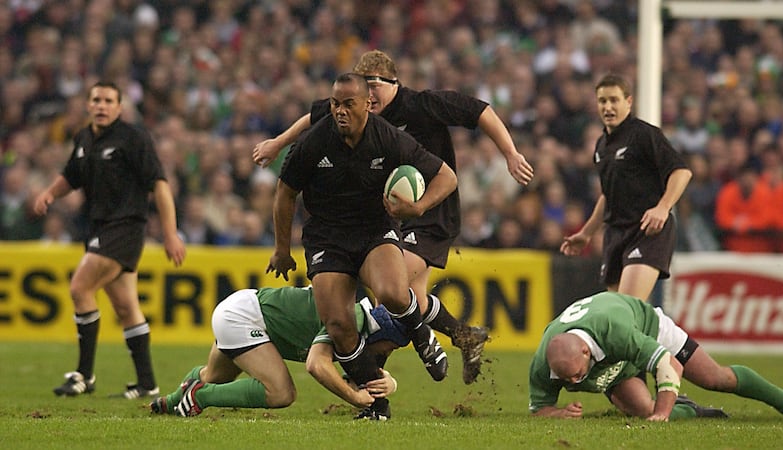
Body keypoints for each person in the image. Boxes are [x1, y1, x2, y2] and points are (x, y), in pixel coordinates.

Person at [254, 50, 534, 384]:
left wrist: (511, 153)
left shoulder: (421, 105)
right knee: (395, 302)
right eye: (364, 87)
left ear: (394, 83)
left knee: (389, 295)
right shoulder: (352, 112)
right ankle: (455, 340)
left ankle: (394, 364)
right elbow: (313, 117)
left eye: (375, 86)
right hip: (387, 211)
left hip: (430, 211)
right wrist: (278, 143)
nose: (369, 95)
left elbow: (480, 111)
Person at [268, 73, 458, 419]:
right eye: (335, 104)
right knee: (340, 327)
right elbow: (284, 194)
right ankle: (376, 405)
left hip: (374, 230)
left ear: (367, 106)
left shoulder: (387, 137)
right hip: (327, 238)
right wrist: (282, 249)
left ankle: (422, 338)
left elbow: (447, 176)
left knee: (392, 293)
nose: (339, 111)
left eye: (348, 104)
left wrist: (418, 207)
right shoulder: (314, 141)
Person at [33, 81, 186, 399]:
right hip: (99, 227)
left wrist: (170, 233)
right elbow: (71, 176)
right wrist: (50, 192)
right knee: (126, 307)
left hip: (125, 227)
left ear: (119, 107)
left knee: (80, 288)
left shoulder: (133, 138)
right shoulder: (84, 137)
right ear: (88, 105)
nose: (102, 106)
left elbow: (159, 185)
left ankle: (84, 375)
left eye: (108, 101)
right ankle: (147, 384)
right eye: (96, 100)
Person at [529, 291, 783, 420]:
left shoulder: (616, 331)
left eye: (577, 374)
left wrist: (662, 414)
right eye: (568, 379)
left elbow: (668, 363)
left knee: (715, 378)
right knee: (641, 410)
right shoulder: (543, 365)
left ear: (586, 351)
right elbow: (539, 410)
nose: (575, 382)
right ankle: (693, 412)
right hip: (615, 358)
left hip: (647, 328)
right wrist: (559, 414)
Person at [150, 286, 407, 420]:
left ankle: (173, 401)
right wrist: (354, 397)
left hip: (241, 307)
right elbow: (317, 365)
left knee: (213, 376)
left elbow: (355, 377)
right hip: (244, 319)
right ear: (382, 336)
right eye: (391, 347)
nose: (388, 353)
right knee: (281, 393)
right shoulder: (350, 322)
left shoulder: (359, 324)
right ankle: (199, 397)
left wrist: (391, 383)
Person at [561, 74, 692, 303]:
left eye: (614, 100)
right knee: (617, 315)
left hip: (646, 231)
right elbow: (608, 195)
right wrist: (587, 233)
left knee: (625, 309)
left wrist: (663, 207)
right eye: (603, 101)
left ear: (628, 102)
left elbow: (681, 172)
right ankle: (661, 338)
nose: (608, 107)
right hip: (615, 235)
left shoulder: (643, 134)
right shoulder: (601, 145)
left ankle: (676, 340)